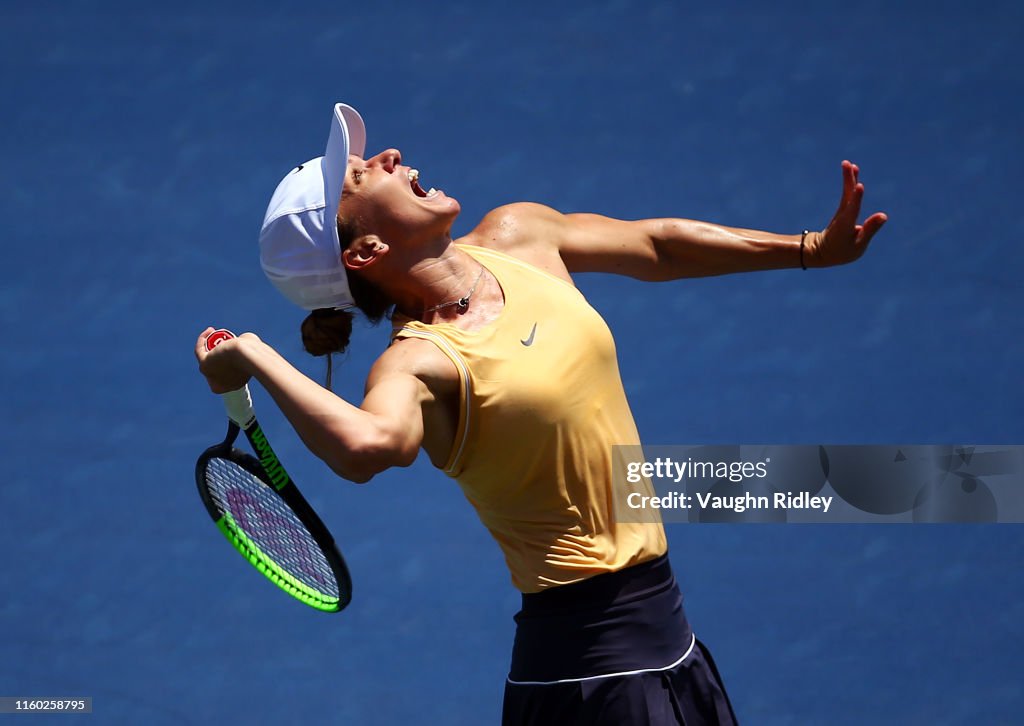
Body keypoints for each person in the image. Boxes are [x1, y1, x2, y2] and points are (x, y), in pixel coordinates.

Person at [195, 103, 887, 725]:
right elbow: (368, 445)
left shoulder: (519, 235)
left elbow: (657, 245)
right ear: (366, 251)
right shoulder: (419, 364)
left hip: (669, 645)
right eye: (360, 175)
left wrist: (805, 250)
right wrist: (255, 354)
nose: (390, 156)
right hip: (592, 681)